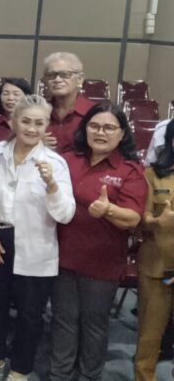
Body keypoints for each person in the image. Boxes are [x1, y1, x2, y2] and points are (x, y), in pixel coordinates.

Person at [0, 96, 76, 381]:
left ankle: (20, 368)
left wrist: (51, 184)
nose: (32, 128)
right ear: (13, 122)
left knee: (30, 313)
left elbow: (66, 214)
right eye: (26, 121)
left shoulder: (55, 163)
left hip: (36, 246)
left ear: (47, 125)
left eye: (39, 123)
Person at [50, 103, 145, 381]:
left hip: (101, 262)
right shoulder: (67, 160)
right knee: (63, 320)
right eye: (94, 126)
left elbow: (133, 218)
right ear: (85, 128)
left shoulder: (129, 170)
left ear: (122, 133)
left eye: (109, 128)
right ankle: (59, 375)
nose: (100, 132)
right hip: (62, 255)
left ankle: (89, 376)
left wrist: (108, 210)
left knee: (93, 323)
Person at [136, 120, 174, 381]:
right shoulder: (153, 174)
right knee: (149, 336)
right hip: (159, 269)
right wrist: (158, 221)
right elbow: (141, 219)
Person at [42, 52, 95, 153]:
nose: (57, 79)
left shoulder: (94, 113)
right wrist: (34, 143)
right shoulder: (37, 110)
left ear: (80, 79)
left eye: (65, 74)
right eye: (51, 75)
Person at [0, 77, 32, 143]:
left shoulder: (33, 123)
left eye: (16, 94)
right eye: (5, 94)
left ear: (27, 97)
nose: (10, 98)